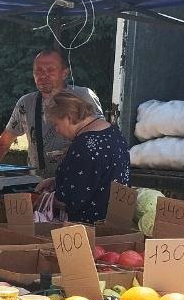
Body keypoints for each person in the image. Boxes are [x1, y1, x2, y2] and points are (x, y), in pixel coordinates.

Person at [0, 49, 104, 177]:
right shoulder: (26, 103)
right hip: (38, 185)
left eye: (50, 70)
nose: (43, 75)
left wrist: (72, 152)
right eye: (38, 70)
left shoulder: (83, 96)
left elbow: (100, 139)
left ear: (65, 73)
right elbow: (2, 144)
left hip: (76, 181)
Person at [35, 90, 130, 223]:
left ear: (68, 117)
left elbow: (71, 200)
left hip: (90, 228)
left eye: (56, 124)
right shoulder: (113, 132)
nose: (56, 130)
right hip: (115, 222)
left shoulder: (84, 144)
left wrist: (45, 199)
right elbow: (93, 177)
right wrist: (56, 181)